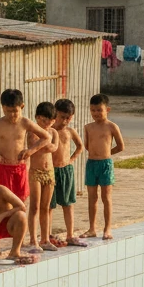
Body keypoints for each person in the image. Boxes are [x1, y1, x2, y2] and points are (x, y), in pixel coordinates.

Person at [0, 88, 53, 203]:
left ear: (22, 106)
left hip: (20, 167)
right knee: (3, 201)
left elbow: (47, 137)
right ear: (2, 107)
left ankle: (19, 221)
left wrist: (30, 151)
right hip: (3, 167)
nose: (12, 114)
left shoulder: (25, 122)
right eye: (8, 111)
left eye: (15, 111)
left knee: (20, 201)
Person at [82, 93, 125, 241]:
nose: (96, 114)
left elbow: (120, 146)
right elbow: (87, 145)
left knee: (106, 197)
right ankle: (92, 228)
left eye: (99, 110)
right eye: (93, 110)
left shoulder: (112, 127)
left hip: (105, 164)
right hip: (91, 164)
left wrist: (107, 153)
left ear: (107, 109)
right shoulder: (88, 127)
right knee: (92, 198)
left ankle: (107, 228)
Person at [50, 98, 84, 241]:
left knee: (68, 204)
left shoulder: (70, 131)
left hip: (65, 170)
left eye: (68, 118)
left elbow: (80, 146)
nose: (64, 121)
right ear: (55, 114)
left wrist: (71, 160)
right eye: (62, 117)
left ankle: (70, 234)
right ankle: (47, 234)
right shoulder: (49, 131)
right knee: (48, 206)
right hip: (51, 171)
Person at [27, 102, 58, 251]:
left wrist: (43, 144)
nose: (47, 124)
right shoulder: (32, 131)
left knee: (46, 207)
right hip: (35, 172)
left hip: (49, 172)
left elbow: (53, 147)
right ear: (37, 118)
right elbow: (36, 146)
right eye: (44, 121)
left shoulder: (54, 132)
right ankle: (33, 240)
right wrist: (44, 144)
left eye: (51, 121)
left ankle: (45, 238)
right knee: (34, 207)